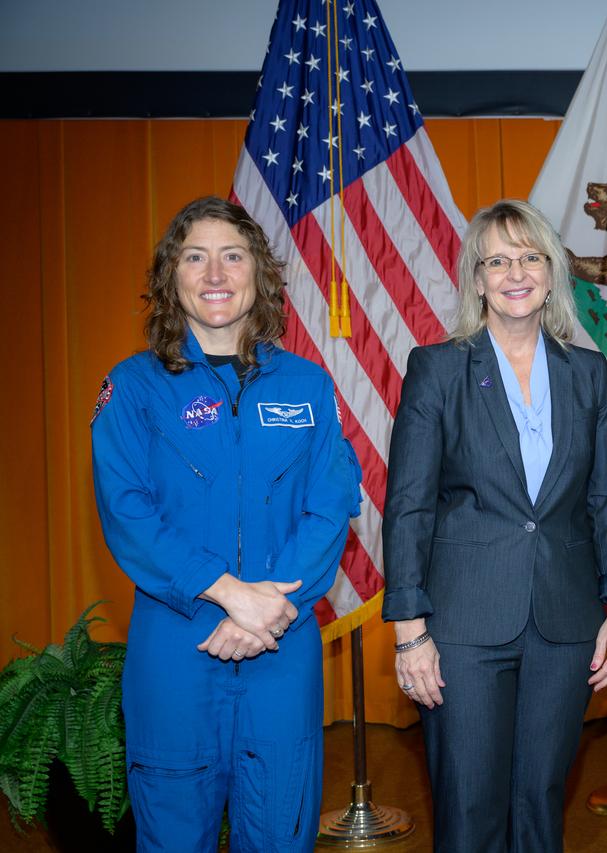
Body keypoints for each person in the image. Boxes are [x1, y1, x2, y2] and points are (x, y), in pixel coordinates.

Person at [91, 196, 363, 851]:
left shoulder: (307, 386)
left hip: (282, 644)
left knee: (280, 831)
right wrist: (228, 593)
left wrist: (266, 610)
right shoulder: (132, 388)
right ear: (171, 276)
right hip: (177, 647)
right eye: (195, 257)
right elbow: (127, 511)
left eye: (232, 256)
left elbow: (330, 504)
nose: (215, 273)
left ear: (259, 273)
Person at [382, 199, 607, 852]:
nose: (515, 273)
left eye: (529, 257)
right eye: (497, 261)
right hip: (461, 626)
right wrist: (410, 632)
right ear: (477, 279)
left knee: (540, 802)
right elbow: (408, 505)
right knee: (469, 806)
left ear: (552, 273)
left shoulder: (588, 372)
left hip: (566, 622)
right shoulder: (437, 369)